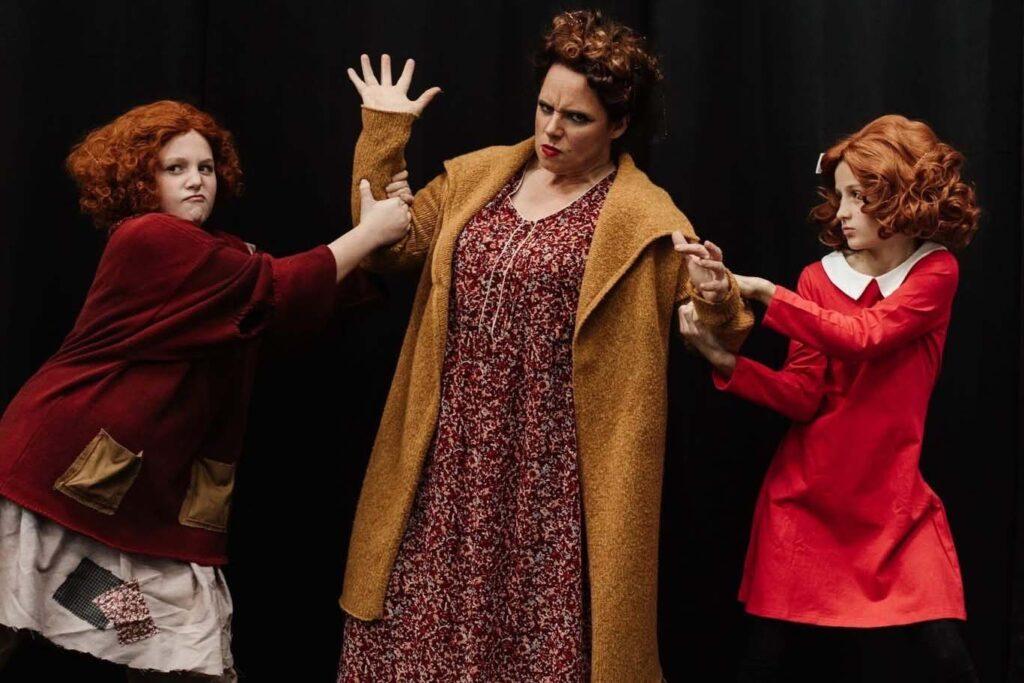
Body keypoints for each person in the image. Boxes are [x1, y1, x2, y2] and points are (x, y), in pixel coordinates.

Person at [337, 10, 753, 682]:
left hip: (552, 479)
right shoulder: (480, 179)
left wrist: (715, 293)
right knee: (413, 636)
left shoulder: (647, 220)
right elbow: (388, 242)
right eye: (544, 108)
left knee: (531, 647)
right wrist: (384, 135)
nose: (552, 129)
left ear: (618, 126)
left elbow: (721, 331)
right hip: (447, 455)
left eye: (577, 118)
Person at [0, 100, 410, 681]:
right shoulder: (149, 239)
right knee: (25, 605)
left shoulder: (221, 254)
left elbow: (276, 304)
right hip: (58, 481)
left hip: (137, 500)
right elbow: (269, 287)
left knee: (166, 644)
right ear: (141, 180)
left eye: (207, 168)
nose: (197, 180)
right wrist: (368, 234)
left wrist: (379, 240)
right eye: (175, 169)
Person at [678, 114, 980, 682]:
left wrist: (765, 292)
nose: (840, 211)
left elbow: (866, 338)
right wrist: (725, 362)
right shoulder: (817, 280)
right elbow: (801, 397)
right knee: (765, 661)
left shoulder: (936, 272)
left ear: (899, 194)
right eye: (838, 195)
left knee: (947, 659)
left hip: (895, 512)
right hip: (805, 506)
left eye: (856, 196)